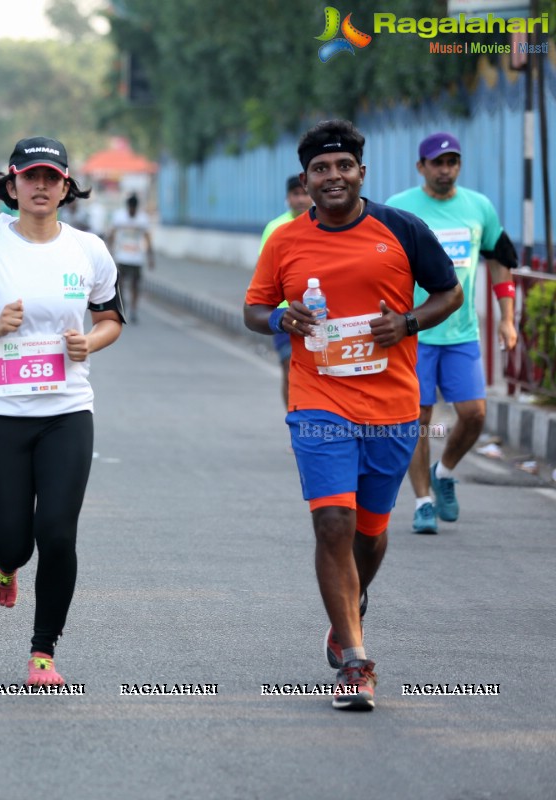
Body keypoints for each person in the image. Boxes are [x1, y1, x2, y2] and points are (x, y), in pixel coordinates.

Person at [243, 119, 461, 711]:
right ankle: (357, 663)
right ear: (307, 180)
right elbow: (255, 308)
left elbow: (450, 293)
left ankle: (349, 610)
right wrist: (279, 319)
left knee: (369, 533)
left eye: (343, 166)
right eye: (321, 169)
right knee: (332, 525)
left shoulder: (400, 228)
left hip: (391, 407)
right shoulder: (285, 241)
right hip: (319, 403)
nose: (332, 176)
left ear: (361, 172)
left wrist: (409, 322)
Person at [0, 136, 124, 686]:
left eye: (52, 178)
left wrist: (92, 343)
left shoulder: (89, 250)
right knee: (15, 540)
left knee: (58, 533)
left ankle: (43, 652)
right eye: (30, 177)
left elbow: (111, 317)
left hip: (67, 409)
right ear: (11, 183)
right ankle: (3, 562)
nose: (41, 186)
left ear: (67, 186)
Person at [385, 132, 519, 535]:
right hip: (416, 333)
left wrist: (507, 318)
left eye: (453, 162)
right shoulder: (398, 208)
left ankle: (444, 471)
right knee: (418, 421)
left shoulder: (479, 207)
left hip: (462, 335)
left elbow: (500, 261)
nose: (446, 170)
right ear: (421, 167)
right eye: (438, 163)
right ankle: (424, 502)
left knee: (474, 415)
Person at [259, 176, 314, 407]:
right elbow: (264, 273)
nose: (300, 199)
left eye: (304, 193)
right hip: (286, 315)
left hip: (319, 313)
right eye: (295, 194)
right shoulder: (275, 228)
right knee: (289, 369)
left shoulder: (325, 225)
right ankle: (295, 424)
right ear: (287, 198)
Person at [105, 193, 154, 322]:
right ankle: (123, 305)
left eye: (134, 208)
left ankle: (133, 309)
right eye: (130, 208)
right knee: (120, 284)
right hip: (122, 257)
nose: (132, 211)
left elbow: (148, 237)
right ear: (128, 207)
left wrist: (150, 257)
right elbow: (112, 233)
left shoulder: (142, 219)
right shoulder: (119, 217)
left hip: (137, 258)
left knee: (135, 285)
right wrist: (109, 252)